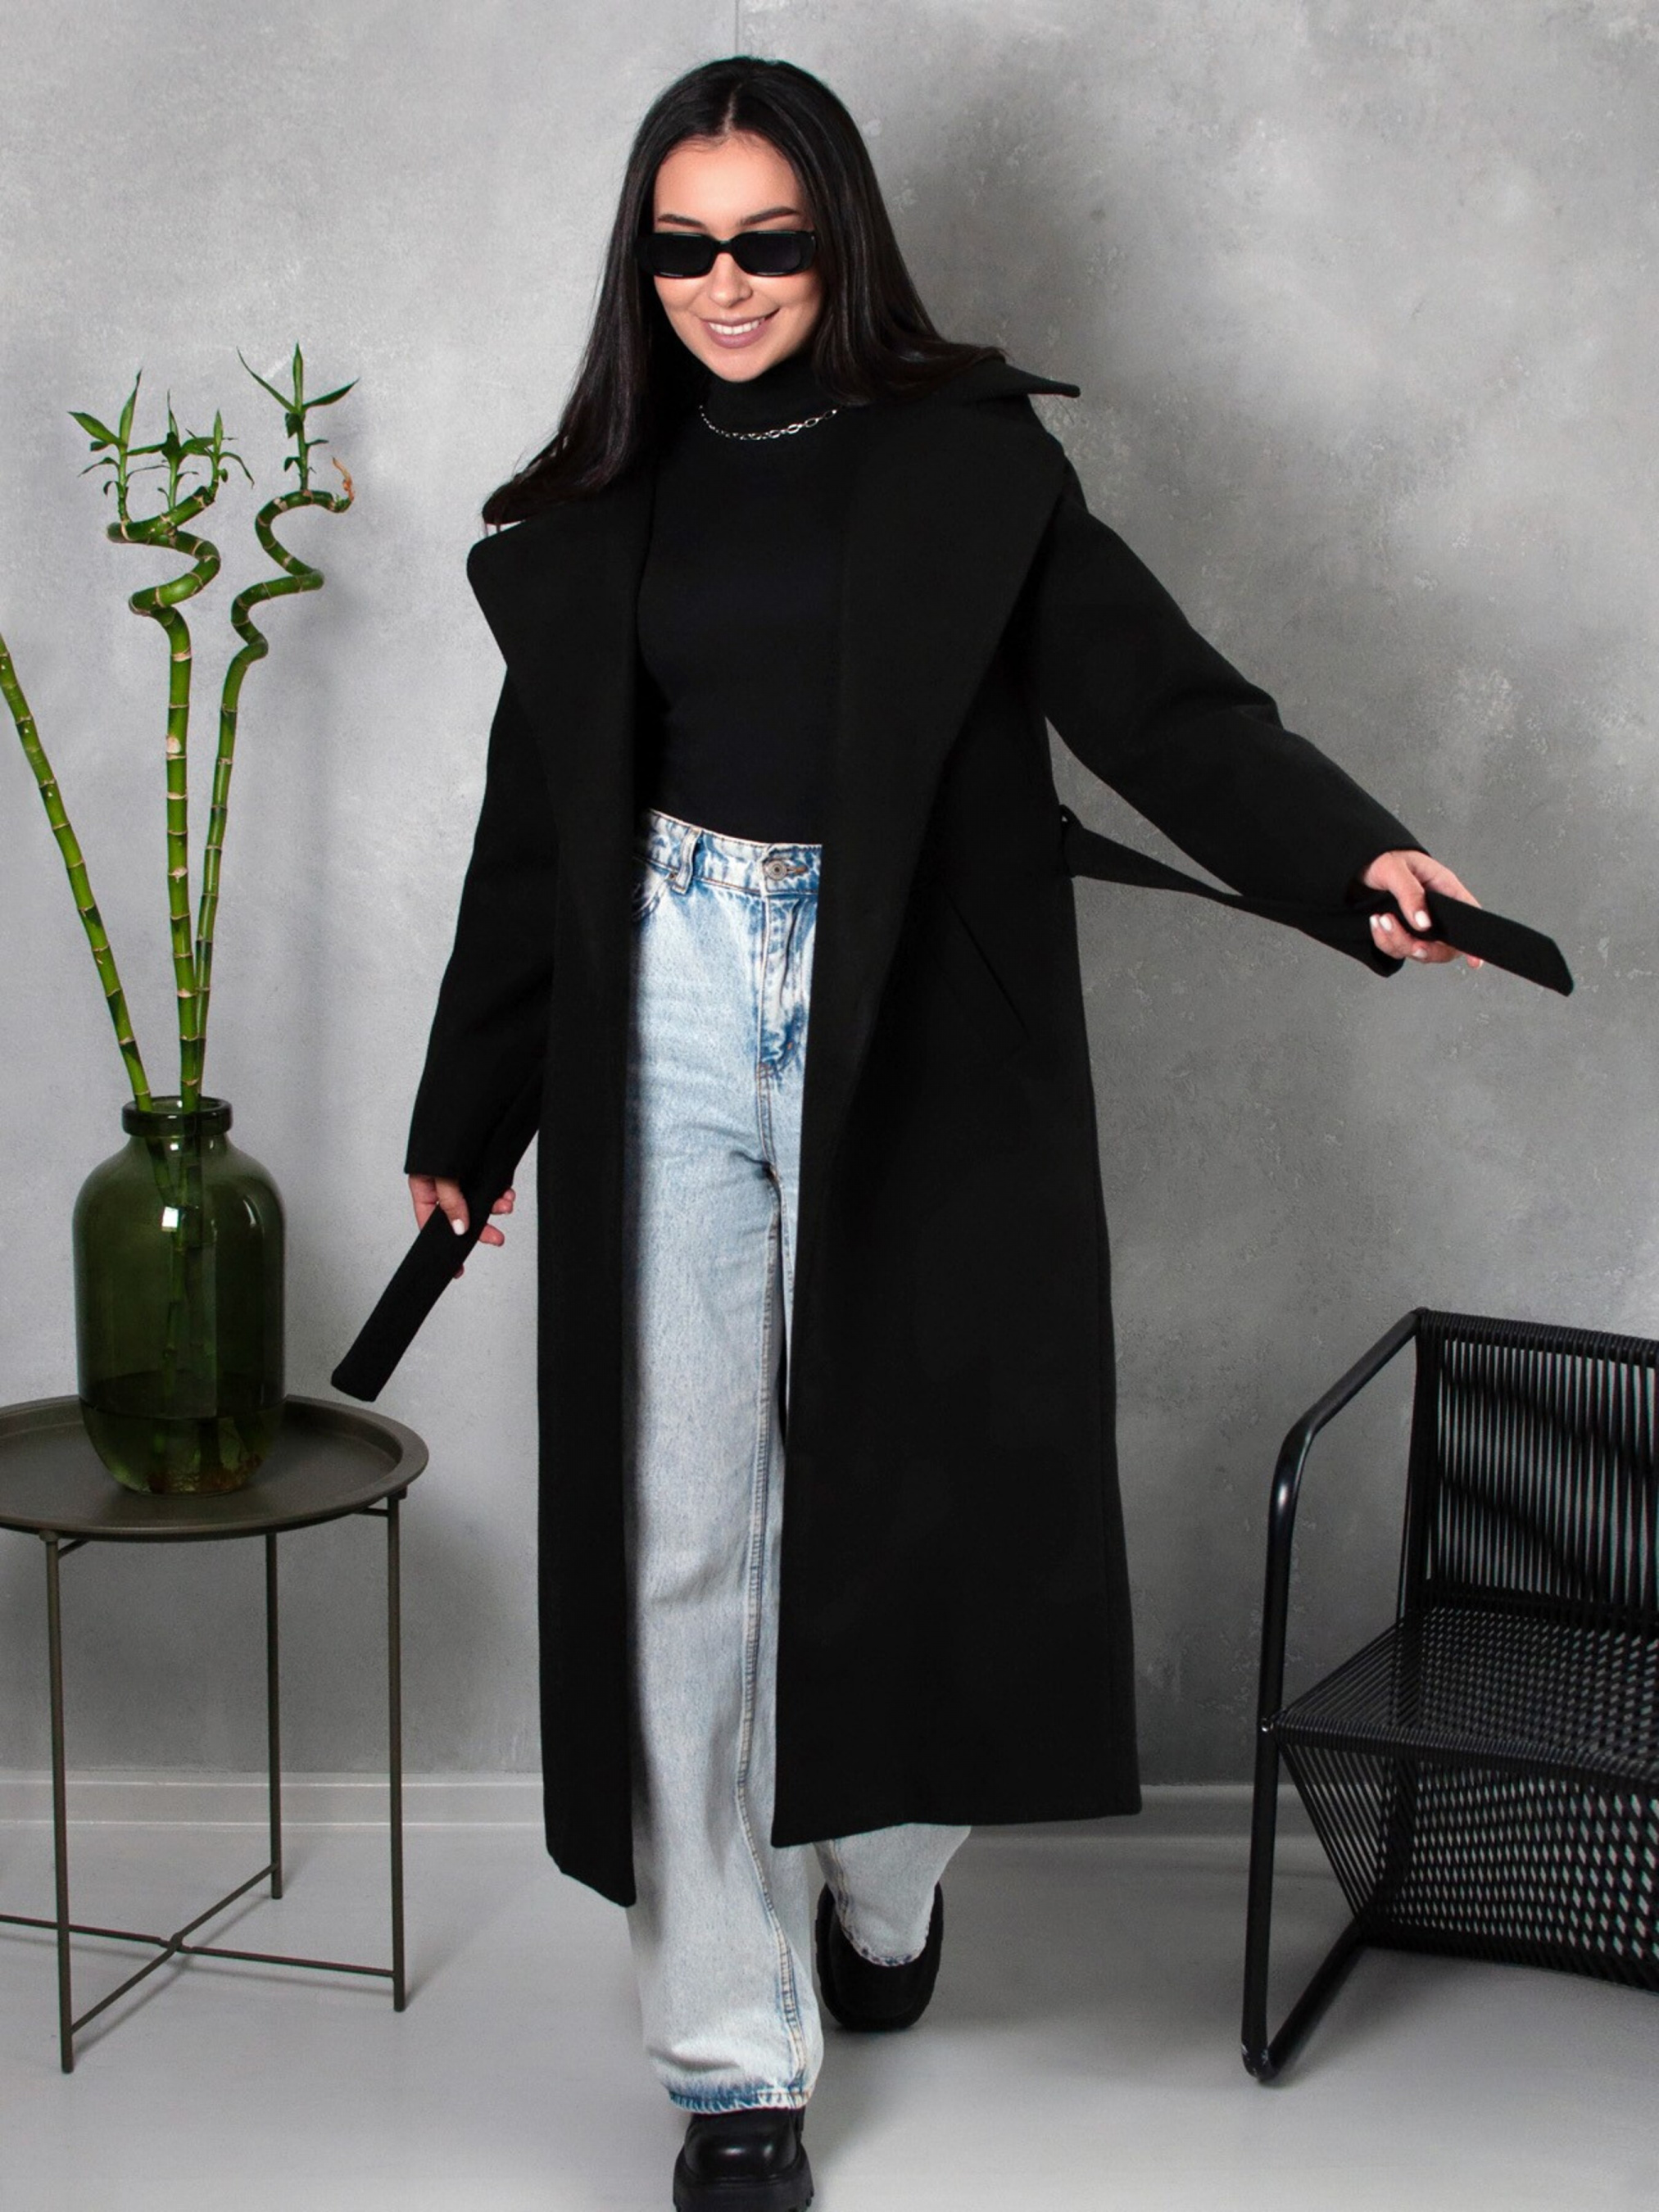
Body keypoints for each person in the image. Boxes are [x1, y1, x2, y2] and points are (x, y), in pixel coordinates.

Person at [399, 56, 1480, 2212]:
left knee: (934, 1503)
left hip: (903, 1002)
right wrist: (469, 1105)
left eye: (768, 242)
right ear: (640, 261)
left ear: (842, 242)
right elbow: (538, 835)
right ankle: (731, 2060)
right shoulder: (599, 508)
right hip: (659, 1004)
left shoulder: (969, 468)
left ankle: (879, 1882)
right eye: (682, 246)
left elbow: (1163, 699)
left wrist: (1346, 856)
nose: (724, 284)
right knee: (683, 1535)